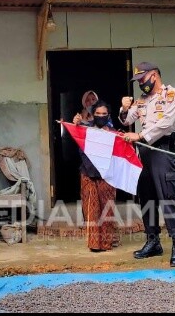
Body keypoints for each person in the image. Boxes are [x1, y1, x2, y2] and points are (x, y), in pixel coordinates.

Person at [120, 62, 175, 267]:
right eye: (138, 81)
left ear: (155, 75)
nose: (141, 84)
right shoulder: (141, 101)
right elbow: (126, 120)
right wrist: (124, 108)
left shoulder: (171, 94)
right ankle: (153, 241)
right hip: (145, 152)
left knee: (168, 196)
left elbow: (166, 123)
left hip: (163, 149)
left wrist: (140, 135)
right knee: (146, 196)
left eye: (143, 79)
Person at [73, 100, 120, 252]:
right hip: (88, 173)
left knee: (107, 209)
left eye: (104, 114)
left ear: (108, 116)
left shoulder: (114, 134)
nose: (100, 116)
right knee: (91, 209)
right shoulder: (85, 131)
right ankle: (94, 244)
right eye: (97, 114)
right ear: (93, 115)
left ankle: (106, 243)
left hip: (107, 175)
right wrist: (76, 124)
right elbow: (76, 129)